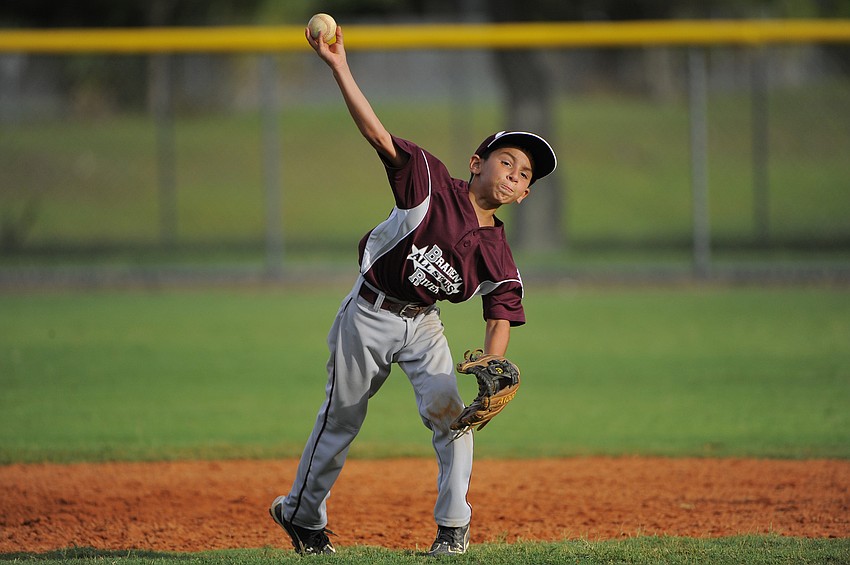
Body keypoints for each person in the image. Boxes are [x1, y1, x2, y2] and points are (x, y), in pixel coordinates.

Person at [269, 22, 557, 557]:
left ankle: (453, 528)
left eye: (525, 177)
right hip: (369, 314)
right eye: (508, 162)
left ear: (522, 197)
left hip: (423, 325)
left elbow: (501, 313)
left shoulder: (498, 250)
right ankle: (303, 518)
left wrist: (493, 369)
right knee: (341, 419)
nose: (515, 176)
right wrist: (340, 68)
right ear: (478, 164)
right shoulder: (427, 181)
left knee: (455, 418)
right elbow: (377, 134)